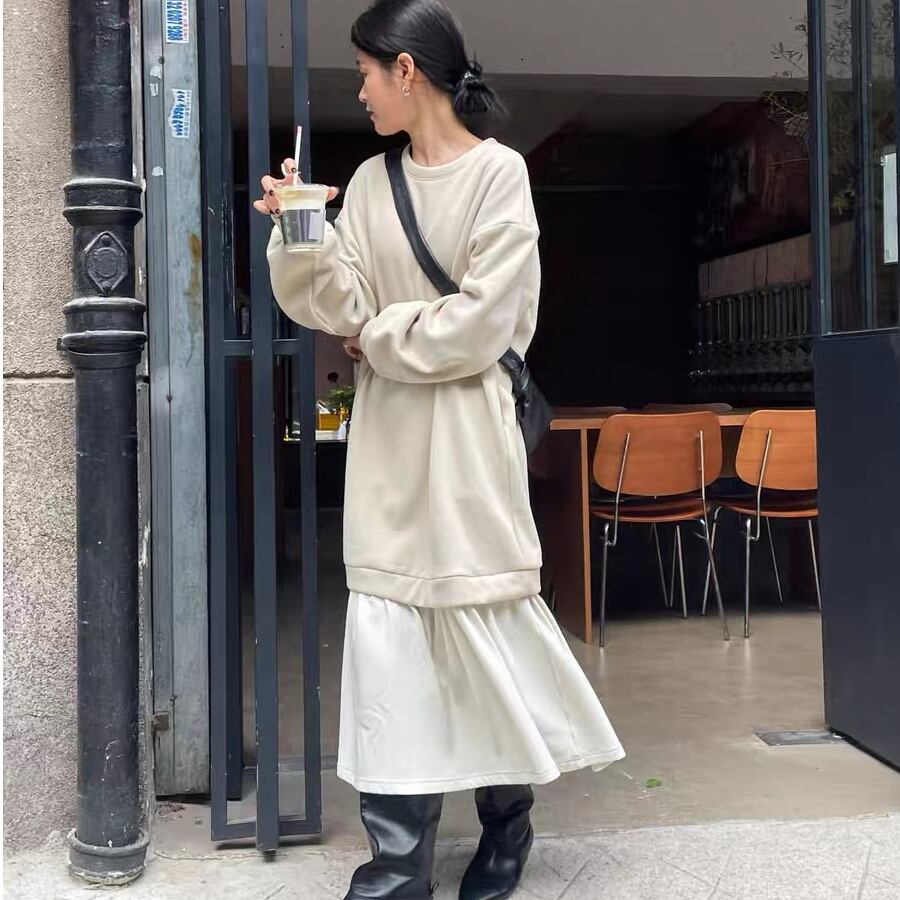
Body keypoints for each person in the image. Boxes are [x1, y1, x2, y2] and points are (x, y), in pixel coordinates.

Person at [256, 2, 624, 897]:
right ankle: (397, 867)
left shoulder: (500, 176)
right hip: (391, 448)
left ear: (406, 70)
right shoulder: (371, 182)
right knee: (391, 654)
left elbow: (481, 325)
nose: (360, 92)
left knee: (481, 631)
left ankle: (507, 824)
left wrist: (379, 338)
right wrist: (302, 228)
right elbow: (337, 304)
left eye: (365, 73)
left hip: (468, 445)